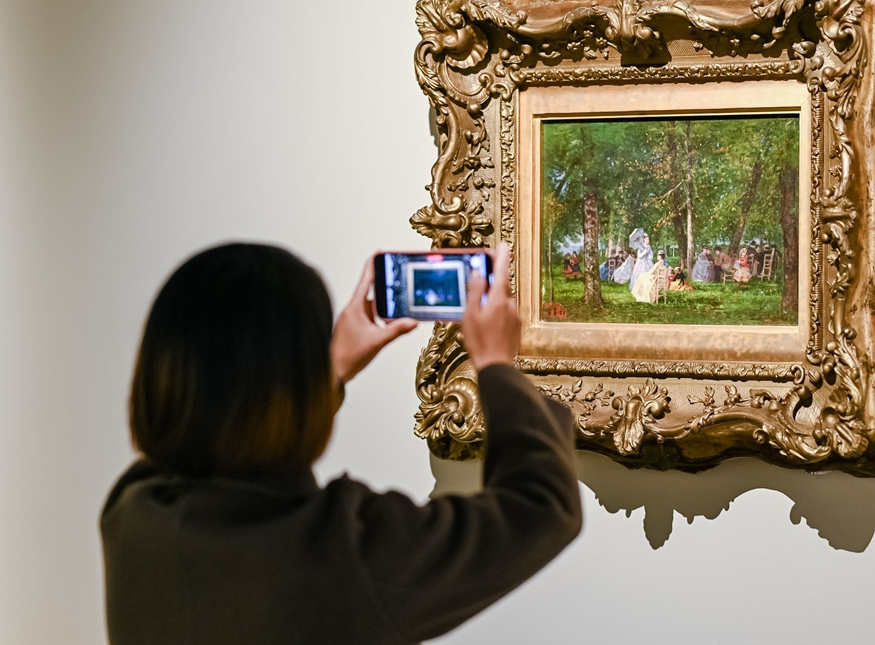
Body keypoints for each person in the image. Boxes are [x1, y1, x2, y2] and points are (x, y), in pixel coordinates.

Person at [100, 243, 581, 645]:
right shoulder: (340, 555)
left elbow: (221, 427)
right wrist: (496, 364)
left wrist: (329, 368)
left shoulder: (131, 513)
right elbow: (542, 506)